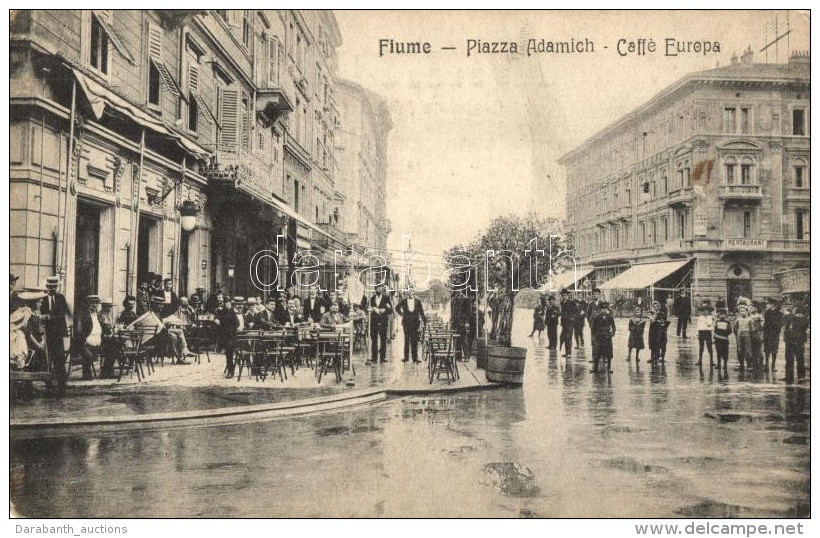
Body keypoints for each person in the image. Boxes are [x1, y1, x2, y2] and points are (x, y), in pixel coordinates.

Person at [41, 275, 70, 395]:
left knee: (59, 359)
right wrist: (44, 317)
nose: (53, 289)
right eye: (50, 287)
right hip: (45, 333)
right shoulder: (41, 298)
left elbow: (63, 313)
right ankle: (48, 383)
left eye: (55, 287)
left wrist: (50, 317)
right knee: (46, 358)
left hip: (57, 334)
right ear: (47, 286)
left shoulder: (60, 298)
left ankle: (62, 386)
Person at [74, 295, 103, 380]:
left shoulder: (99, 315)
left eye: (96, 303)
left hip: (98, 342)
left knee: (113, 347)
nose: (94, 305)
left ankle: (107, 371)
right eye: (92, 303)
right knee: (88, 355)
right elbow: (79, 332)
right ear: (88, 303)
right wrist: (84, 341)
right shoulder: (83, 315)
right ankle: (86, 375)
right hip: (86, 342)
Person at [395, 288, 427, 363]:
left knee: (414, 341)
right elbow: (397, 308)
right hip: (406, 323)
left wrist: (425, 320)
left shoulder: (417, 301)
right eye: (409, 291)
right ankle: (406, 358)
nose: (410, 292)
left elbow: (421, 311)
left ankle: (415, 358)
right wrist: (402, 314)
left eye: (412, 291)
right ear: (408, 292)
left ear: (414, 292)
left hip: (415, 323)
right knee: (406, 340)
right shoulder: (404, 301)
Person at [365, 284, 392, 364]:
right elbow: (367, 308)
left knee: (383, 339)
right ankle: (374, 358)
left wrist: (385, 310)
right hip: (374, 322)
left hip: (383, 321)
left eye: (380, 288)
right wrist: (371, 309)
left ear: (382, 289)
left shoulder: (386, 299)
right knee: (374, 340)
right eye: (377, 288)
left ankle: (383, 358)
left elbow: (390, 310)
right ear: (375, 289)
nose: (379, 289)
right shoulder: (371, 299)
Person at [782, 304, 809, 384]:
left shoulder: (802, 313)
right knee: (789, 359)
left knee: (799, 358)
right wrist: (791, 315)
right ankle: (789, 376)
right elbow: (784, 320)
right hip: (789, 340)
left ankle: (801, 376)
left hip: (798, 340)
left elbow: (804, 322)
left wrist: (791, 315)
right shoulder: (791, 313)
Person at [590, 300, 616, 373]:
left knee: (609, 353)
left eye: (606, 308)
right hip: (599, 337)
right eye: (603, 308)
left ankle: (609, 368)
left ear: (607, 309)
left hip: (608, 337)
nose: (604, 310)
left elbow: (613, 327)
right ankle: (595, 368)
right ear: (600, 309)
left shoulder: (610, 317)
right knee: (598, 352)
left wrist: (612, 333)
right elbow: (593, 327)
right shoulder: (597, 317)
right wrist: (595, 335)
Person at [763, 297, 784, 372]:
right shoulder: (767, 312)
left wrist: (771, 324)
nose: (767, 305)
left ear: (773, 304)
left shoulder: (779, 313)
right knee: (767, 350)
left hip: (775, 334)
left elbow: (780, 324)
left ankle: (773, 366)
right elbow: (765, 323)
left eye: (768, 303)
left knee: (774, 350)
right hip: (767, 333)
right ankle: (766, 365)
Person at [586, 288, 603, 362]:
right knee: (593, 341)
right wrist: (590, 323)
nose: (595, 295)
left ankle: (602, 357)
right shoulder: (590, 304)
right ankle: (594, 357)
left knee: (602, 341)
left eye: (597, 294)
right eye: (594, 294)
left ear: (599, 295)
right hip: (593, 326)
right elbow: (588, 315)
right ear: (592, 295)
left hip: (601, 326)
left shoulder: (602, 303)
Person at [733, 304, 752, 371]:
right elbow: (735, 328)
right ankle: (741, 364)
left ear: (747, 311)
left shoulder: (750, 319)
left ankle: (749, 364)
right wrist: (737, 334)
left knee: (747, 350)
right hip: (739, 335)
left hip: (747, 335)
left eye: (744, 311)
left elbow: (752, 329)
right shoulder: (738, 319)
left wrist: (749, 333)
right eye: (741, 311)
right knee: (740, 349)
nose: (742, 312)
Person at [713, 307, 732, 372]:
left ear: (725, 315)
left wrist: (725, 333)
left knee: (725, 352)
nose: (721, 315)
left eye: (723, 314)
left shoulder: (727, 322)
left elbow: (730, 331)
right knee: (718, 352)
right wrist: (714, 337)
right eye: (720, 314)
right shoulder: (716, 322)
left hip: (725, 339)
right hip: (718, 339)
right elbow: (715, 330)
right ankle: (719, 364)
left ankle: (725, 364)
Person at [559, 289, 576, 357]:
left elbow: (576, 311)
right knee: (563, 337)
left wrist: (572, 318)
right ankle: (566, 352)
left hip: (570, 323)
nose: (564, 297)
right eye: (563, 295)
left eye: (565, 295)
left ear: (567, 295)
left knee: (568, 337)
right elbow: (562, 313)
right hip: (564, 323)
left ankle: (568, 353)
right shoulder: (562, 303)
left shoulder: (571, 302)